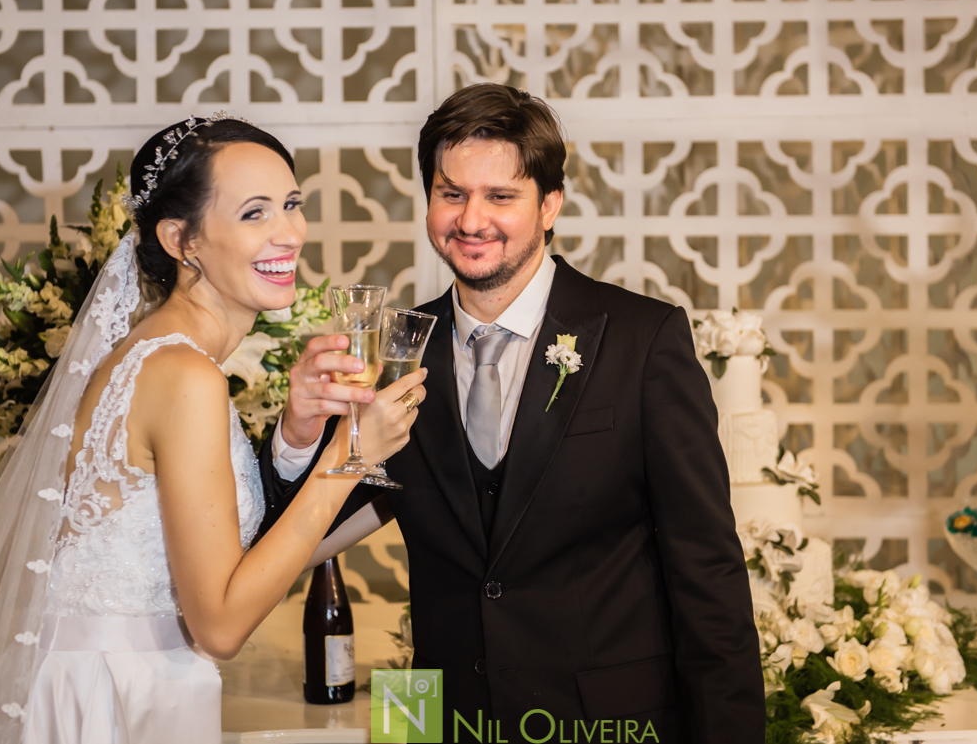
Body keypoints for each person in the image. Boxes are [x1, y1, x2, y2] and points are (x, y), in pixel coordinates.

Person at [259, 85, 765, 742]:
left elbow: (709, 575)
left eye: (501, 196)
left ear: (550, 203)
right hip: (445, 722)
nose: (471, 220)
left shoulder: (643, 340)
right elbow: (296, 535)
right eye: (451, 193)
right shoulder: (394, 353)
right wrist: (298, 436)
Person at [0, 115, 426, 744]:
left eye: (291, 204)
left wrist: (299, 431)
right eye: (254, 213)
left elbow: (222, 554)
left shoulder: (162, 355)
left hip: (114, 681)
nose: (290, 232)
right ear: (181, 240)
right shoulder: (185, 374)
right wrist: (350, 452)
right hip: (114, 700)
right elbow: (219, 626)